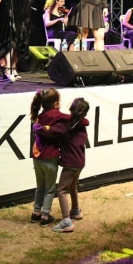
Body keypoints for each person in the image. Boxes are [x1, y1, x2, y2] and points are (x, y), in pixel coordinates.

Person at [34, 97, 90, 233]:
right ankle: (75, 210)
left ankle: (66, 221)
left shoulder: (66, 126)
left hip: (70, 163)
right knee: (72, 186)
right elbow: (85, 120)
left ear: (71, 109)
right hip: (80, 162)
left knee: (61, 190)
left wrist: (37, 127)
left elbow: (49, 132)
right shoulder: (82, 124)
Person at [29, 88, 65, 227]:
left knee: (40, 187)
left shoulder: (39, 117)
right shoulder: (57, 116)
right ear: (56, 104)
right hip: (50, 157)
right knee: (50, 188)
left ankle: (36, 212)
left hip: (37, 157)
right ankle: (45, 215)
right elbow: (68, 120)